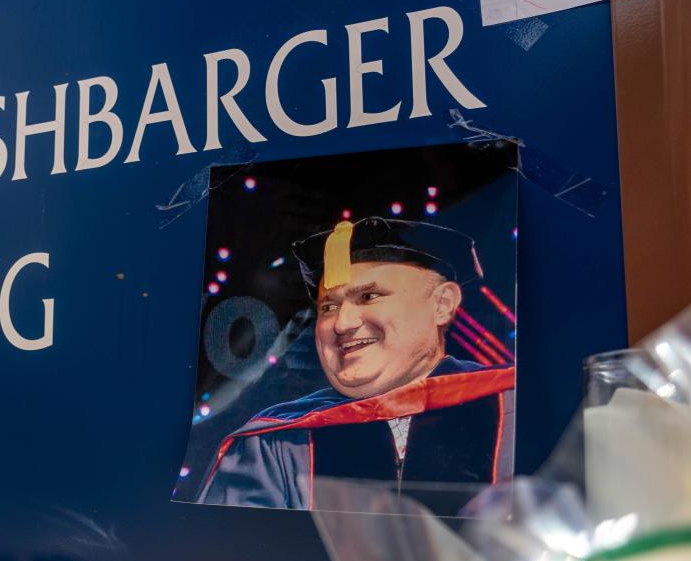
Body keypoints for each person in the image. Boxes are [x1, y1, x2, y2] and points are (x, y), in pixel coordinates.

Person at [197, 216, 515, 510]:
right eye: (328, 306)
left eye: (369, 297)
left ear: (442, 305)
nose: (342, 323)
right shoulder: (273, 442)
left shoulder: (513, 407)